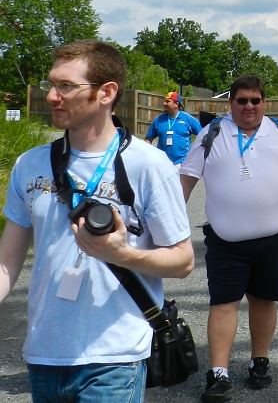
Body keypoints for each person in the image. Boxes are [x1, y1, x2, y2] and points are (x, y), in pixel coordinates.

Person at [0, 40, 194, 403]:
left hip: (114, 356)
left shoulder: (148, 165)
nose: (52, 96)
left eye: (67, 86)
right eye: (51, 84)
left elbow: (183, 261)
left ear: (106, 93)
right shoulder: (30, 164)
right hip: (44, 353)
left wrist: (122, 254)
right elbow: (6, 263)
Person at [179, 75, 278, 403]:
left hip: (272, 239)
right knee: (223, 303)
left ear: (263, 103)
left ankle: (260, 362)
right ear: (231, 103)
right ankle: (219, 374)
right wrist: (169, 223)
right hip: (225, 240)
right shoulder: (212, 134)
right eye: (241, 100)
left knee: (263, 300)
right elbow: (186, 178)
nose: (248, 106)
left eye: (255, 100)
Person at [146, 92, 201, 168]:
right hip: (162, 163)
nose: (164, 103)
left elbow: (203, 135)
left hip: (182, 162)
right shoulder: (158, 120)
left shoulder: (188, 119)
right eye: (165, 101)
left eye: (168, 101)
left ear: (176, 104)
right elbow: (148, 140)